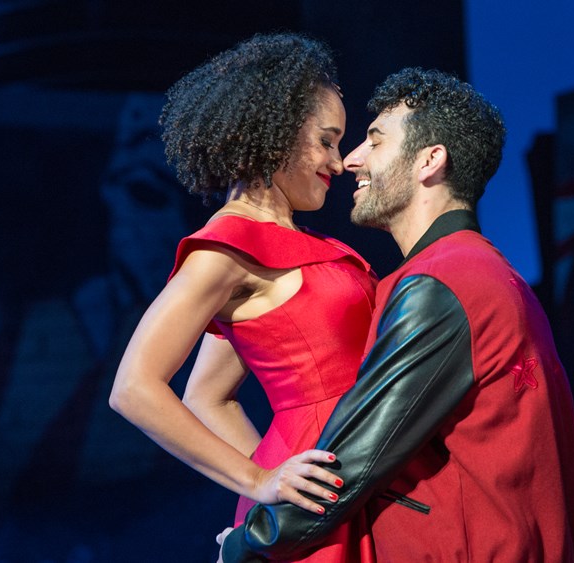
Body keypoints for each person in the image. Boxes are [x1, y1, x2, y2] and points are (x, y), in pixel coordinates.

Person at [219, 68, 574, 562]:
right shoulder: (491, 276)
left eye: (375, 140)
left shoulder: (444, 284)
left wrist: (245, 544)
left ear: (430, 160)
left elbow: (344, 467)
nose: (350, 160)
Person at [109, 33, 380, 561]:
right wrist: (260, 481)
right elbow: (133, 388)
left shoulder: (296, 243)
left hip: (343, 476)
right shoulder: (227, 247)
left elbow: (207, 395)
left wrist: (280, 484)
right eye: (326, 140)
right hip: (327, 490)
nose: (340, 160)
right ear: (274, 135)